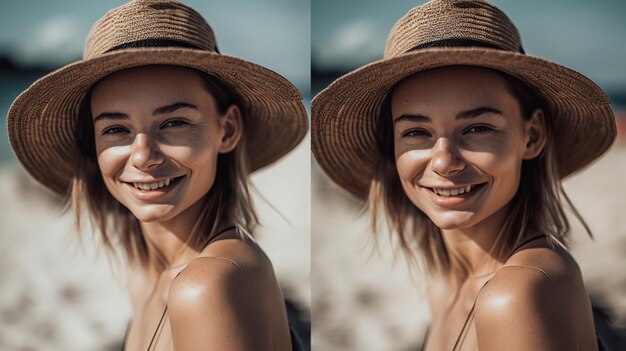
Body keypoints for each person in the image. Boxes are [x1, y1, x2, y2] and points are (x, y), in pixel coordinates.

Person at [312, 0, 615, 350]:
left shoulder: (518, 294)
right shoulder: (447, 281)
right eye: (415, 132)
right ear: (392, 146)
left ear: (531, 136)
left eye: (478, 128)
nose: (444, 161)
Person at [7, 1, 308, 350]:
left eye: (174, 122)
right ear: (93, 143)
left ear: (227, 130)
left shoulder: (208, 286)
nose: (143, 155)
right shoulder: (147, 276)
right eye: (116, 129)